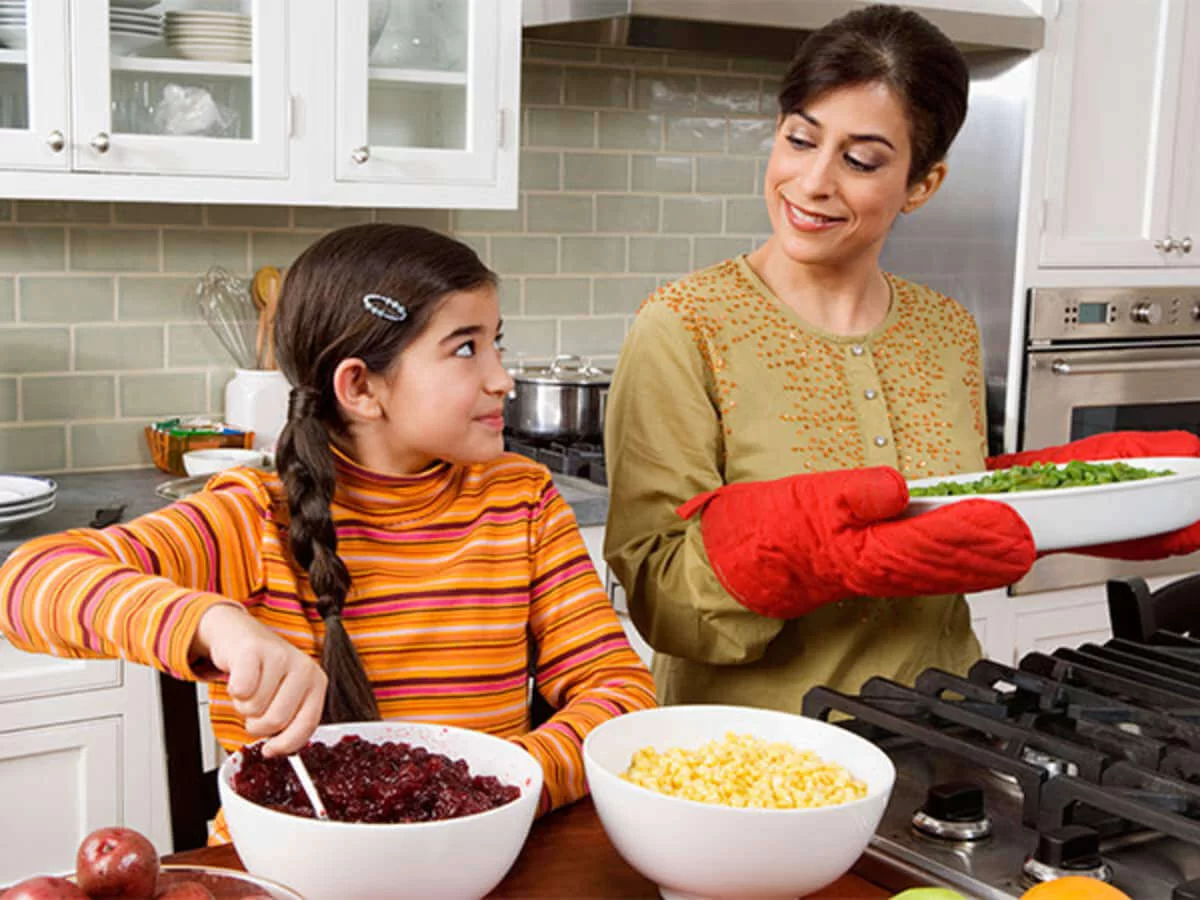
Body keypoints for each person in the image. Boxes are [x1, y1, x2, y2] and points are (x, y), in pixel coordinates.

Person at [603, 4, 1200, 710]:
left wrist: (1076, 507)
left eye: (860, 160)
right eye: (800, 140)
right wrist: (809, 555)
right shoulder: (682, 328)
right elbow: (660, 598)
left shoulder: (946, 330)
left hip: (945, 724)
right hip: (757, 753)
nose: (814, 181)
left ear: (922, 185)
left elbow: (949, 518)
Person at [0, 223, 655, 840]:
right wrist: (214, 624)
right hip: (290, 867)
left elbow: (621, 693)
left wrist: (501, 785)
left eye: (496, 342)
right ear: (361, 387)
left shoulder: (521, 501)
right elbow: (28, 581)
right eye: (465, 347)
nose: (501, 378)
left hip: (479, 859)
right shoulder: (254, 516)